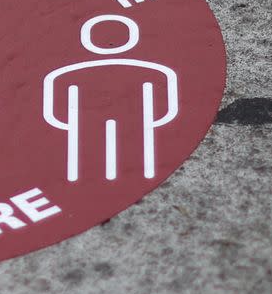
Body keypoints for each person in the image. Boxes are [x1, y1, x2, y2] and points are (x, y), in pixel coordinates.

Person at [43, 15, 177, 182]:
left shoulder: (70, 74)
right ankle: (136, 174)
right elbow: (165, 107)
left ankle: (85, 178)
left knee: (86, 152)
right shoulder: (150, 71)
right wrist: (149, 120)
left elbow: (56, 111)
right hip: (135, 117)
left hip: (86, 120)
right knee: (136, 151)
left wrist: (72, 121)